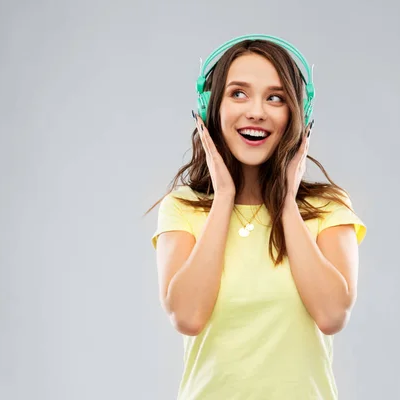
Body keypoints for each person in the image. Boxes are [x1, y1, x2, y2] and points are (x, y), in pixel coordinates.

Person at [147, 34, 367, 399]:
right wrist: (225, 199)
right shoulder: (182, 208)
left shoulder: (329, 207)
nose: (256, 111)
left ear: (297, 113)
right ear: (210, 109)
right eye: (238, 93)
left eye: (275, 98)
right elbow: (187, 317)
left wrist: (284, 204)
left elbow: (332, 316)